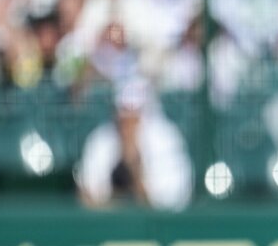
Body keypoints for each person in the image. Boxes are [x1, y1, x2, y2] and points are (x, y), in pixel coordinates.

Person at [76, 78, 192, 211]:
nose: (127, 123)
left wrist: (133, 165)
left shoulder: (166, 139)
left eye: (134, 114)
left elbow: (163, 205)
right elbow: (87, 196)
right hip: (107, 226)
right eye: (123, 112)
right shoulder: (102, 139)